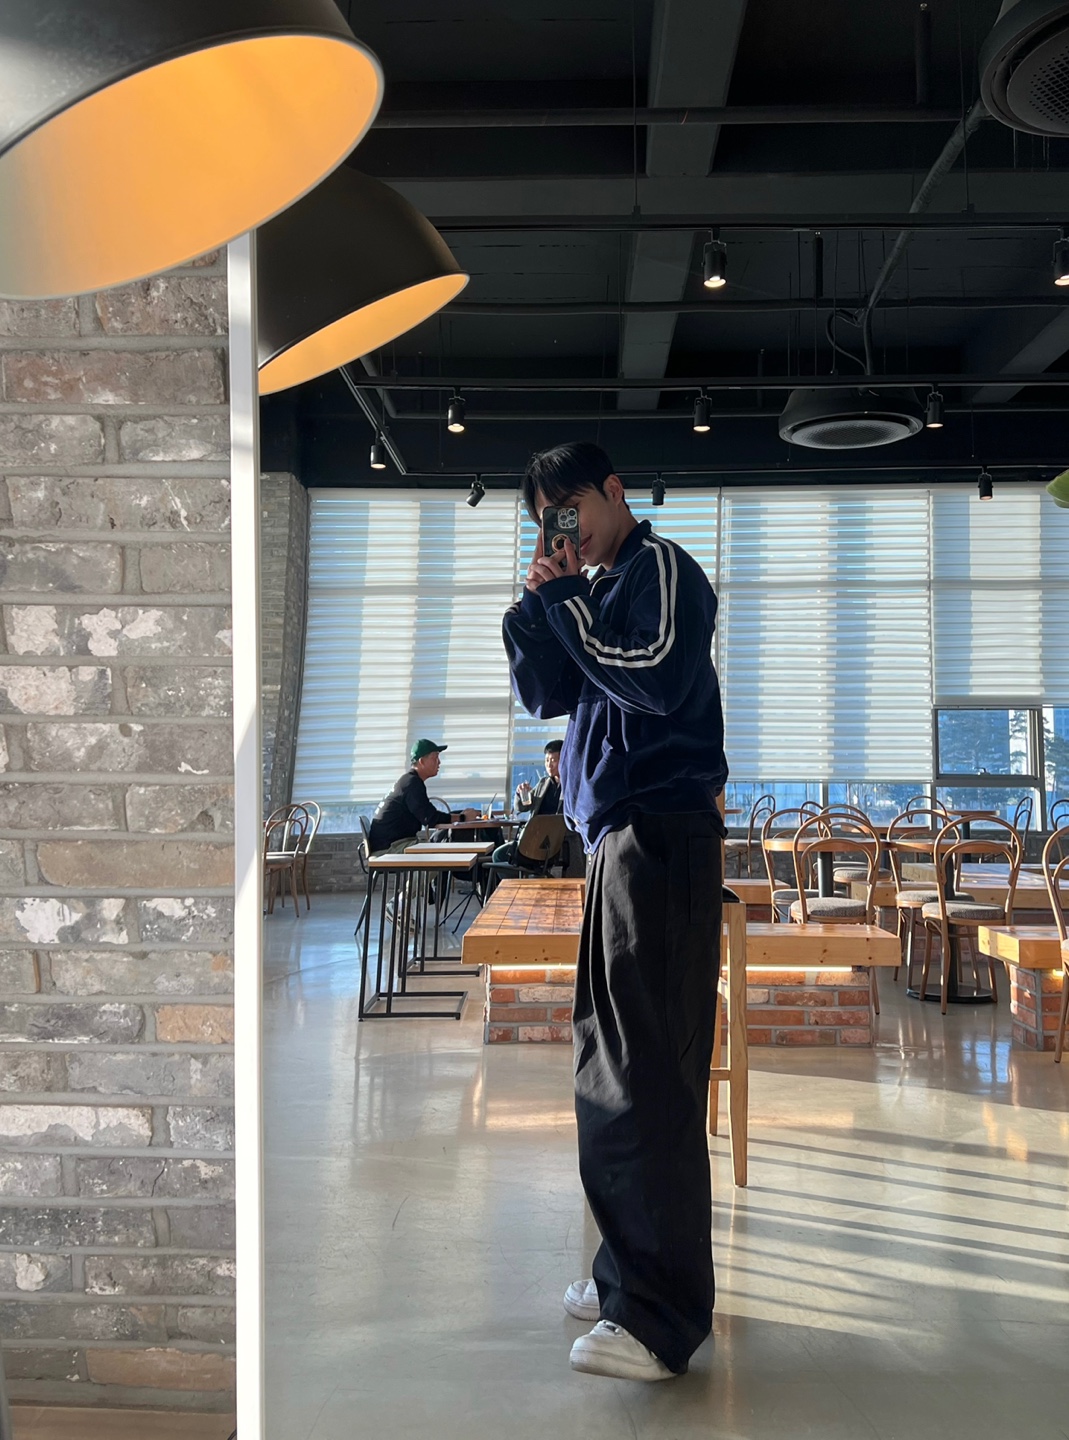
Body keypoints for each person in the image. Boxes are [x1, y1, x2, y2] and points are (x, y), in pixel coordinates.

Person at [502, 441, 728, 1383]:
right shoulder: (589, 592)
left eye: (572, 510)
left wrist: (568, 604)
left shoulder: (660, 568)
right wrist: (533, 609)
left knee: (648, 1075)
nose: (566, 530)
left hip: (662, 833)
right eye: (547, 522)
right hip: (617, 844)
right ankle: (626, 1275)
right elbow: (548, 693)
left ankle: (659, 1319)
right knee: (608, 1067)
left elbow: (655, 675)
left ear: (613, 491)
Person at [367, 739, 476, 855]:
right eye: (435, 758)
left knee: (444, 847)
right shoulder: (412, 783)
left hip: (394, 845)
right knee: (445, 852)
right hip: (390, 849)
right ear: (422, 761)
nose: (439, 762)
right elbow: (430, 819)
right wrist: (462, 818)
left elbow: (428, 815)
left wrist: (457, 817)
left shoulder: (408, 781)